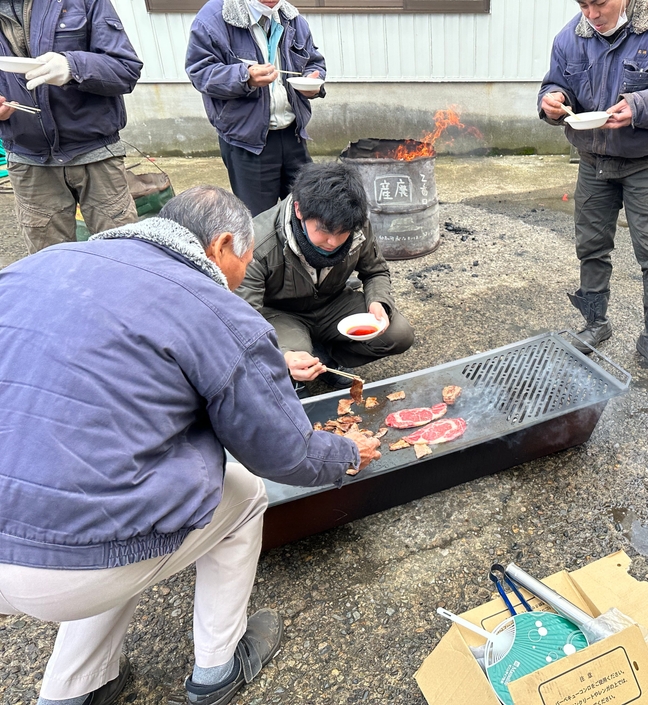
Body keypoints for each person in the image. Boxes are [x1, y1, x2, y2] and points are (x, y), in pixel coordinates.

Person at [0, 186, 381, 705]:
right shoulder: (211, 305)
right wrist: (348, 451)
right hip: (73, 563)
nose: (238, 280)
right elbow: (285, 453)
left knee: (88, 479)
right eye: (241, 266)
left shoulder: (39, 265)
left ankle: (73, 689)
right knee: (243, 493)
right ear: (223, 245)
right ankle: (217, 670)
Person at [538, 0, 648, 377]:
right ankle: (595, 322)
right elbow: (555, 84)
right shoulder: (572, 35)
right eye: (583, 4)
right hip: (592, 161)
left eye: (600, 3)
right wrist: (551, 101)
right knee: (591, 246)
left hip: (647, 162)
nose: (592, 15)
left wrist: (639, 106)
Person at [236, 161, 415, 388]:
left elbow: (376, 271)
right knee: (291, 359)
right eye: (324, 230)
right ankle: (297, 365)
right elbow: (243, 318)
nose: (333, 242)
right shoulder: (258, 242)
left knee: (399, 334)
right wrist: (283, 356)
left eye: (342, 233)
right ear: (299, 210)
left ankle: (329, 359)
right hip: (282, 314)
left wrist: (378, 301)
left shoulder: (355, 222)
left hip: (332, 304)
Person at [0, 0, 142, 253]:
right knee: (50, 266)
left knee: (123, 256)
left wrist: (72, 67)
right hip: (29, 161)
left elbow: (126, 69)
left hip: (96, 154)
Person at [186, 0, 327, 217]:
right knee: (259, 221)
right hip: (247, 142)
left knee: (309, 211)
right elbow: (200, 72)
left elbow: (313, 62)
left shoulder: (292, 18)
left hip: (293, 134)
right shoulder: (214, 18)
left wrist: (313, 82)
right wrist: (245, 77)